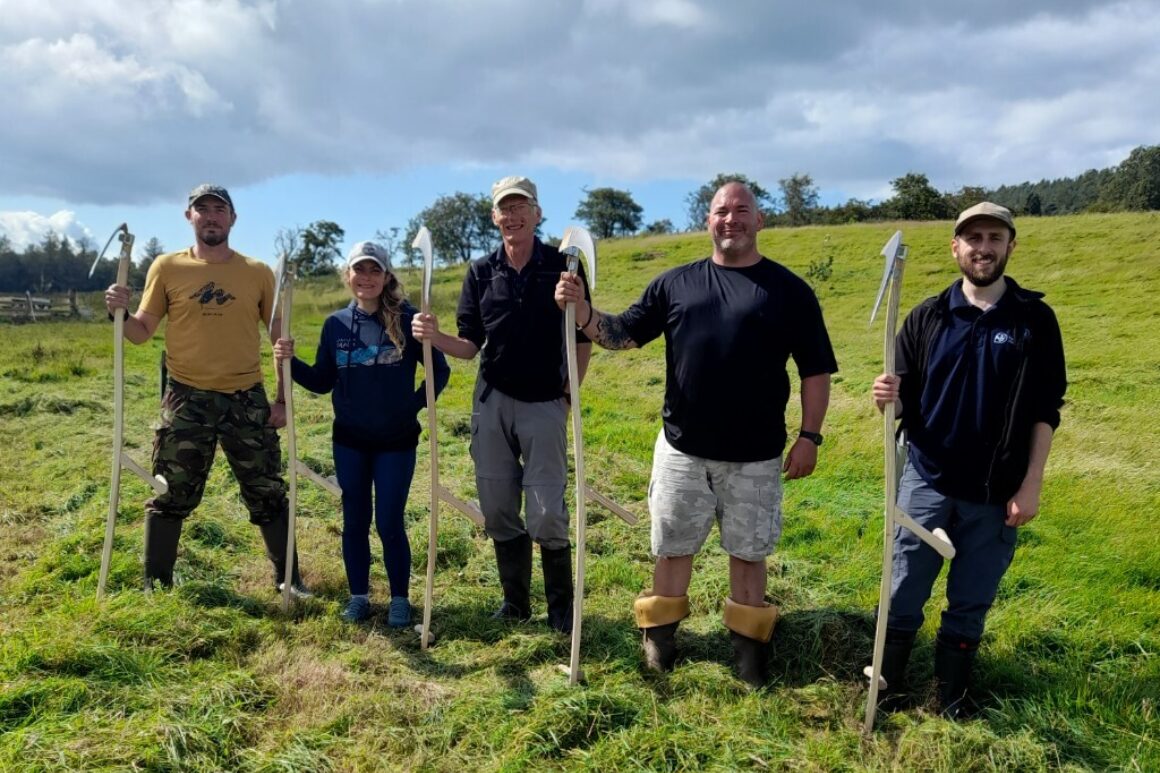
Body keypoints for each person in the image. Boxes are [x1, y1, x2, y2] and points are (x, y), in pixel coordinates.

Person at [555, 181, 838, 686]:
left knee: (749, 553)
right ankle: (660, 641)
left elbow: (816, 371)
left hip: (756, 454)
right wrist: (582, 312)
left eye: (742, 211)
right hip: (683, 448)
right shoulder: (676, 284)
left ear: (759, 221)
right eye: (721, 211)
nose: (731, 219)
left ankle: (749, 650)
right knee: (672, 546)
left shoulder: (790, 291)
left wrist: (809, 437)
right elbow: (622, 334)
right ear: (708, 221)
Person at [870, 202, 1066, 717]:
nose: (983, 247)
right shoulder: (927, 318)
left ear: (1010, 246)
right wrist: (888, 394)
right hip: (925, 479)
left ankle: (949, 697)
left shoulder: (1034, 321)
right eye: (973, 237)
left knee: (971, 599)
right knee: (903, 587)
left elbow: (1046, 409)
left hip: (996, 490)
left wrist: (1031, 484)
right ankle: (883, 690)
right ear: (955, 247)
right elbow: (904, 399)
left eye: (994, 238)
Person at [103, 184, 307, 595]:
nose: (211, 216)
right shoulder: (167, 267)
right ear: (189, 217)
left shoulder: (257, 272)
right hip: (186, 398)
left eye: (219, 209)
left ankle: (289, 581)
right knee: (170, 490)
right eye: (203, 209)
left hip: (245, 396)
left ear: (232, 218)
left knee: (267, 490)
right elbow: (141, 333)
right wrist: (117, 313)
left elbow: (278, 340)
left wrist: (283, 400)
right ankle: (155, 586)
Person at [411, 175, 591, 634]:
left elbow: (583, 335)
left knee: (548, 509)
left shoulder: (564, 265)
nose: (512, 216)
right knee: (496, 506)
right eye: (503, 210)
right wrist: (435, 339)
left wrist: (571, 393)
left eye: (520, 207)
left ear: (536, 213)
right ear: (494, 218)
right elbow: (470, 345)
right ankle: (515, 603)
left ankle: (561, 611)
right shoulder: (480, 271)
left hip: (546, 402)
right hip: (492, 400)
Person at [273, 241, 450, 625]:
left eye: (374, 270)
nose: (366, 278)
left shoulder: (408, 319)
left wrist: (414, 405)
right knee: (355, 520)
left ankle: (400, 599)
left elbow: (441, 371)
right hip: (350, 441)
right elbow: (322, 381)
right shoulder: (335, 324)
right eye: (359, 270)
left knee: (389, 520)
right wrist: (289, 362)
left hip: (396, 442)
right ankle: (359, 596)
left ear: (386, 276)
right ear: (348, 275)